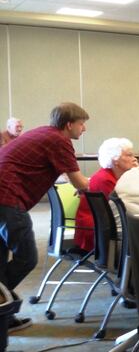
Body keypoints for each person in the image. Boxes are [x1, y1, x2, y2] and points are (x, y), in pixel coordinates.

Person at [0, 102, 91, 332]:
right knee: (27, 258)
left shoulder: (43, 132)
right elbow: (80, 183)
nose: (84, 129)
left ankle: (4, 319)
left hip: (4, 196)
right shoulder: (60, 141)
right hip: (7, 198)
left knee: (1, 260)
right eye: (82, 124)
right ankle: (2, 304)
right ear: (69, 124)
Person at [74, 138, 138, 251]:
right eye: (129, 155)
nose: (134, 159)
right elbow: (123, 208)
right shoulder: (105, 180)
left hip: (102, 224)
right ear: (115, 160)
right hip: (97, 230)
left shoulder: (112, 175)